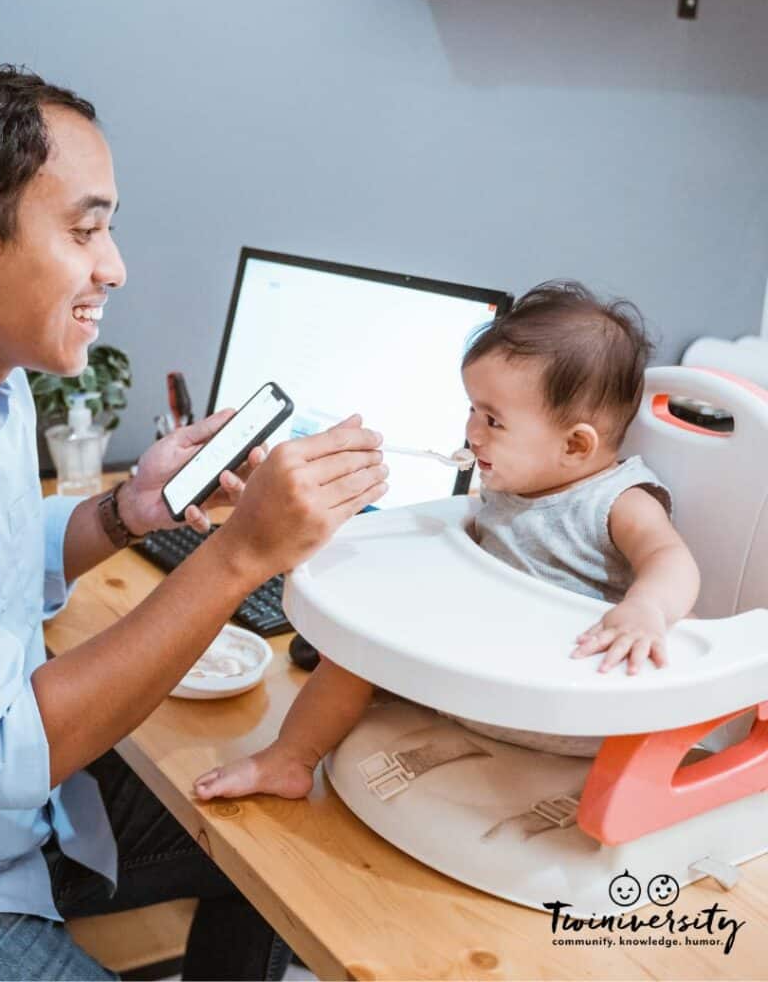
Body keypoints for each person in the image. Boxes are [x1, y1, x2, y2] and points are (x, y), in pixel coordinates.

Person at [0, 63, 390, 981]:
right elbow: (0, 751)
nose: (114, 267)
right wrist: (241, 557)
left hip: (25, 822)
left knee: (289, 827)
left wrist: (125, 514)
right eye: (85, 230)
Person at [193, 282, 701, 802]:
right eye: (472, 411)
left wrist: (647, 610)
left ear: (575, 445)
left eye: (493, 421)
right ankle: (289, 758)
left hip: (560, 703)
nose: (472, 433)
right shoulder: (513, 482)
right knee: (354, 650)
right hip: (476, 675)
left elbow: (671, 559)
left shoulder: (617, 501)